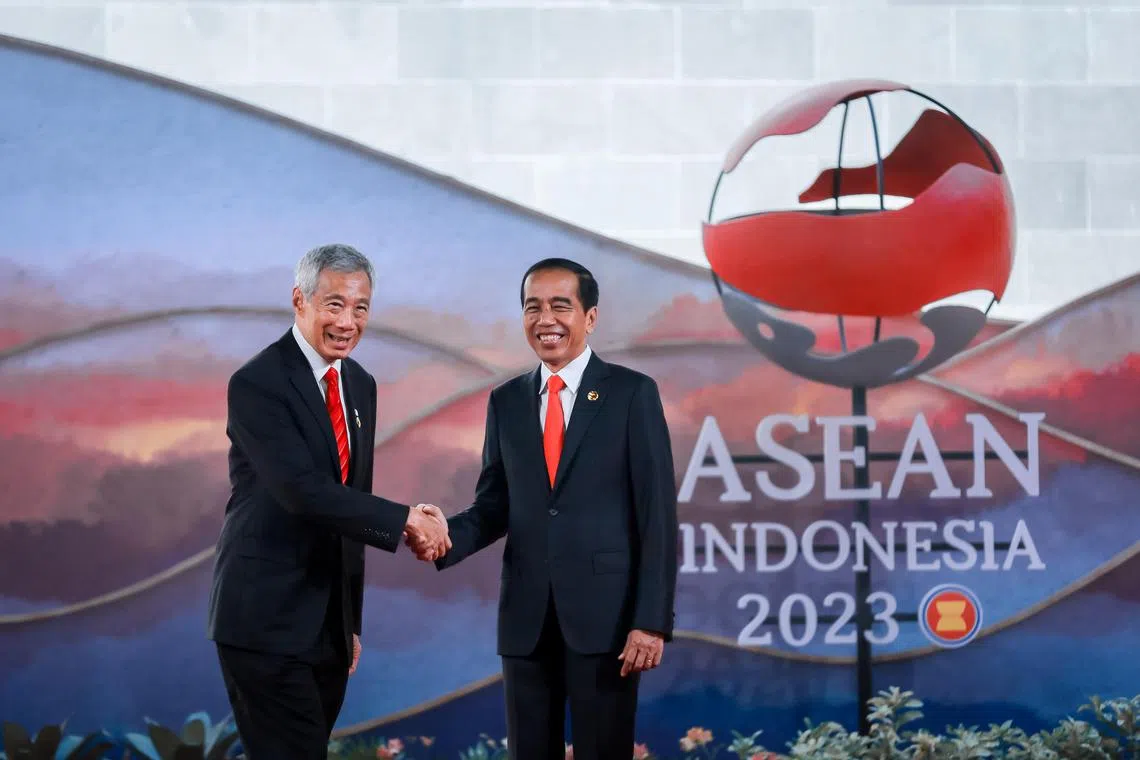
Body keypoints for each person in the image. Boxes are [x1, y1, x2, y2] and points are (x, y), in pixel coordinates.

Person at [408, 258, 679, 760]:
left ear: (590, 317)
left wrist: (651, 620)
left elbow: (656, 515)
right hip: (527, 620)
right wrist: (445, 534)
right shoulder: (506, 401)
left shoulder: (630, 394)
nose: (545, 319)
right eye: (532, 307)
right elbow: (494, 505)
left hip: (608, 622)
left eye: (560, 305)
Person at [206, 243, 450, 759]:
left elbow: (348, 506)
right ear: (301, 301)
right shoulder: (258, 383)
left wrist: (348, 625)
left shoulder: (359, 384)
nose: (348, 321)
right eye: (334, 304)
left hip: (324, 630)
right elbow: (303, 493)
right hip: (266, 621)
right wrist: (405, 519)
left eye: (361, 307)